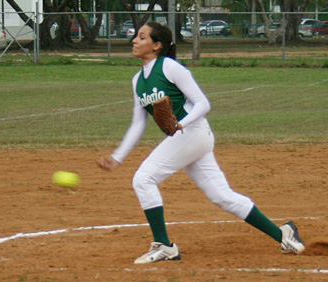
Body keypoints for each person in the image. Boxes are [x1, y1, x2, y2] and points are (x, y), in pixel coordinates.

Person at [97, 22, 305, 264]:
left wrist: (181, 125)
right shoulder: (137, 81)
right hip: (188, 138)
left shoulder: (170, 68)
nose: (134, 40)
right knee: (222, 196)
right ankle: (284, 235)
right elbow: (138, 123)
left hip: (192, 132)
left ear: (157, 45)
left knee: (143, 179)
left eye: (142, 37)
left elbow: (203, 104)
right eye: (136, 36)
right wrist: (118, 157)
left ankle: (164, 246)